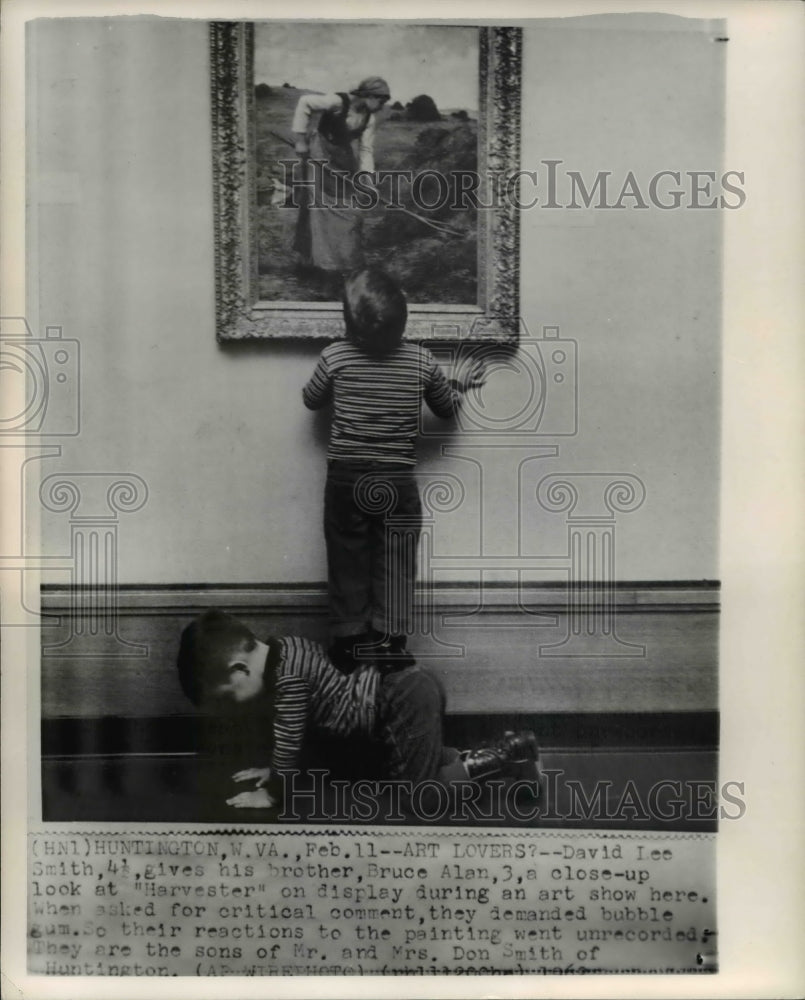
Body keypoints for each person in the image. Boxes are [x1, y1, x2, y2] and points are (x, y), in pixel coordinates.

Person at [302, 268, 486, 672]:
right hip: (396, 480)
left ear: (349, 324)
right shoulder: (420, 360)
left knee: (347, 557)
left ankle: (349, 642)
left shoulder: (335, 356)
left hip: (346, 478)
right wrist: (459, 386)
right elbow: (446, 408)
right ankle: (389, 643)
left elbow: (311, 399)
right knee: (397, 560)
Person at [176, 609, 539, 813]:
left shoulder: (286, 682)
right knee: (406, 768)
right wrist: (274, 767)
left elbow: (288, 739)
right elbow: (300, 735)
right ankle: (480, 757)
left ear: (240, 669)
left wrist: (273, 791)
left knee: (420, 800)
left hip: (399, 701)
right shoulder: (286, 648)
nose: (231, 707)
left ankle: (507, 756)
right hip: (398, 701)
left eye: (226, 698)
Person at [291, 76, 390, 283]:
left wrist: (367, 180)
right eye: (381, 100)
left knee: (351, 209)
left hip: (342, 157)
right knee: (322, 207)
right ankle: (324, 267)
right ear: (369, 96)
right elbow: (304, 103)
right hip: (320, 151)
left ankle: (344, 261)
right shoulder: (338, 102)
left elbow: (365, 150)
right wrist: (300, 141)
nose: (382, 106)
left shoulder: (369, 119)